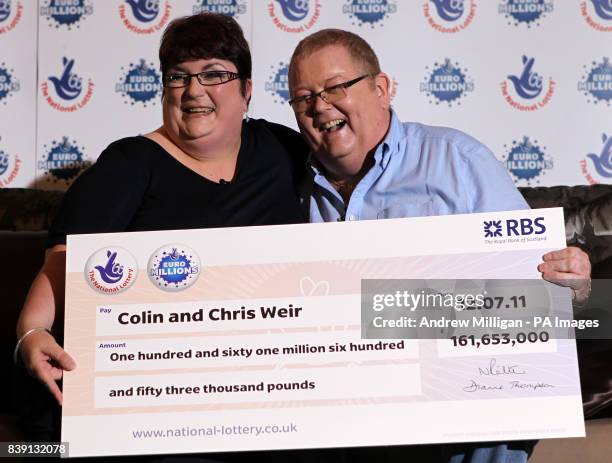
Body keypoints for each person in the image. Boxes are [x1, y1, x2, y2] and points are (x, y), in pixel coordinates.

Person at [287, 28, 591, 463]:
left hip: (460, 424)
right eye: (303, 97)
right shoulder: (286, 187)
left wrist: (575, 289)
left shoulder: (457, 162)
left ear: (382, 88)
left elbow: (544, 291)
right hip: (345, 420)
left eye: (336, 87)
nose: (319, 106)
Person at [14, 13, 308, 451]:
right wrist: (31, 332)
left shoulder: (284, 150)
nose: (193, 90)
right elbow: (64, 259)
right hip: (145, 397)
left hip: (255, 391)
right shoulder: (130, 163)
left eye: (214, 74)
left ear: (247, 90)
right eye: (179, 77)